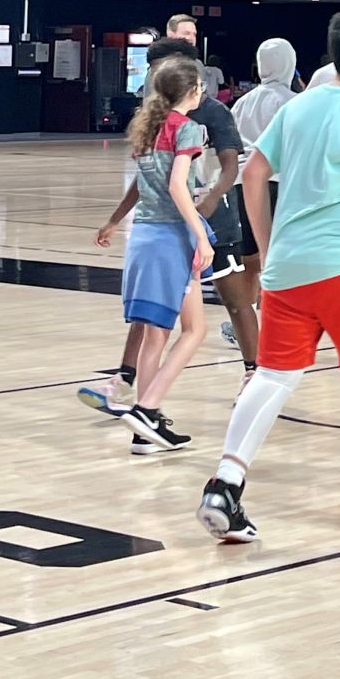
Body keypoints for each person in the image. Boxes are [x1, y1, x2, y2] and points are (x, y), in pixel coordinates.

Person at [196, 7, 340, 542]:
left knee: (273, 375)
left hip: (287, 269)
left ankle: (225, 483)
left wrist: (271, 246)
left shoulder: (298, 108)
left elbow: (252, 173)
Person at [113, 56, 214, 451]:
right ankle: (147, 407)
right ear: (191, 91)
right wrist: (200, 237)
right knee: (195, 330)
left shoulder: (148, 128)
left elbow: (142, 185)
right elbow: (176, 187)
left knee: (156, 336)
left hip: (144, 236)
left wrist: (112, 221)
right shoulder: (188, 130)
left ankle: (146, 426)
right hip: (172, 238)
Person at [232, 39, 297, 336]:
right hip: (278, 184)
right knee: (277, 256)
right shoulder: (293, 102)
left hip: (241, 185)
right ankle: (277, 320)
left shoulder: (242, 103)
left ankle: (246, 326)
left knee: (248, 259)